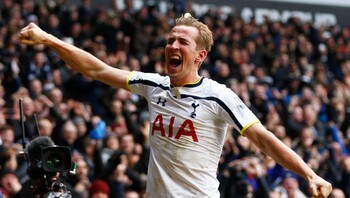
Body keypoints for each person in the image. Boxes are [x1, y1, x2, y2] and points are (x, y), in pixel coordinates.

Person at [18, 13, 332, 197]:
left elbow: (263, 138)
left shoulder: (217, 95)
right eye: (170, 40)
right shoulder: (153, 85)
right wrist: (49, 39)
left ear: (200, 56)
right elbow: (95, 69)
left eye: (182, 41)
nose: (173, 45)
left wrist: (309, 175)